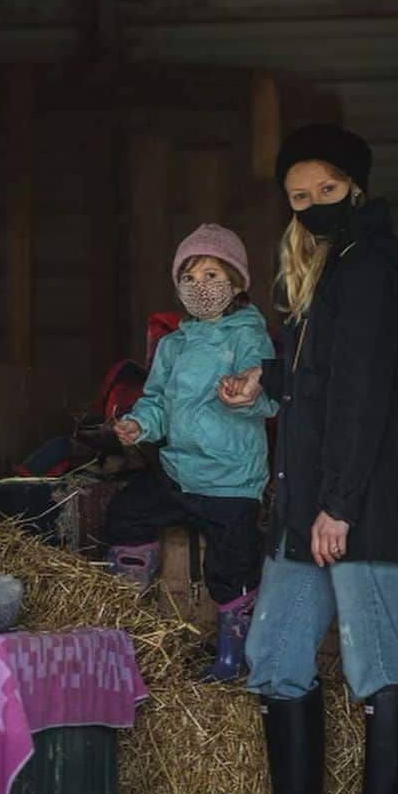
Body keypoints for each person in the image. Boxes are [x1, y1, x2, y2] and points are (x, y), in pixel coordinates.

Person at [206, 123, 398, 794]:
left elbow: (363, 398)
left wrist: (339, 504)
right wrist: (266, 382)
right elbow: (324, 385)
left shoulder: (371, 269)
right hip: (307, 505)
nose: (312, 207)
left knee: (374, 659)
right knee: (274, 658)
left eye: (326, 191)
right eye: (299, 198)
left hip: (353, 507)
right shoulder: (325, 272)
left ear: (355, 187)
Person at [105, 223, 276, 682]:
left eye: (212, 276)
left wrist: (248, 391)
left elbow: (273, 392)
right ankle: (131, 625)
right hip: (179, 469)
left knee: (233, 564)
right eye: (190, 277)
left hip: (230, 477)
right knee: (126, 513)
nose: (200, 287)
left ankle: (232, 656)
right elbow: (157, 400)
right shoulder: (173, 344)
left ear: (237, 282)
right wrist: (139, 424)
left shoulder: (249, 334)